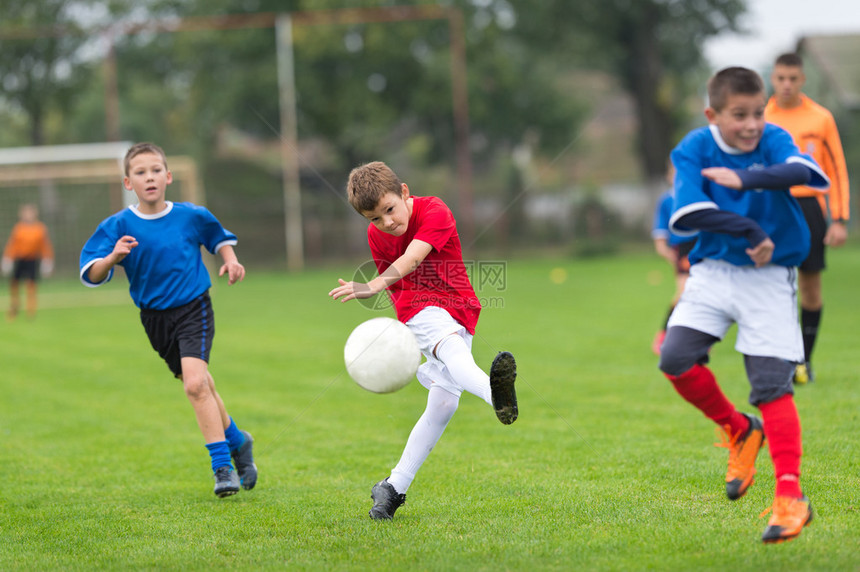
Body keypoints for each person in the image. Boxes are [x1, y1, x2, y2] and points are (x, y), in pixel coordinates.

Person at [658, 67, 829, 544]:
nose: (752, 124)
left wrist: (747, 177)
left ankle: (790, 498)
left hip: (770, 279)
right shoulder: (694, 148)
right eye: (739, 116)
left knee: (771, 384)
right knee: (674, 359)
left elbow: (808, 173)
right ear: (713, 114)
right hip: (713, 272)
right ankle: (738, 430)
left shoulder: (773, 138)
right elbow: (688, 214)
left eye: (758, 112)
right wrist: (752, 231)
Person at [329, 161, 518, 520]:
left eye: (389, 210)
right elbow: (404, 275)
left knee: (444, 406)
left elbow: (414, 256)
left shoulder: (435, 210)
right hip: (417, 307)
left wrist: (372, 286)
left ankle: (393, 487)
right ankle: (497, 395)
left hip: (458, 304)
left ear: (404, 192)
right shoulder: (377, 235)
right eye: (374, 219)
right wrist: (379, 287)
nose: (386, 223)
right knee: (452, 350)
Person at [79, 142, 256, 498]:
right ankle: (239, 441)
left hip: (194, 308)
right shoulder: (118, 225)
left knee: (194, 385)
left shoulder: (191, 215)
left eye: (156, 170)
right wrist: (113, 257)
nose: (149, 178)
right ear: (128, 183)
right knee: (201, 384)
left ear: (168, 176)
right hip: (154, 319)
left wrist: (231, 259)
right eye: (140, 173)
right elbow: (91, 273)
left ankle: (222, 467)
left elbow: (219, 238)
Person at [765, 52, 851, 384]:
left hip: (810, 208)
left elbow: (837, 169)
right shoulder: (762, 116)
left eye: (793, 78)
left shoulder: (820, 118)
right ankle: (779, 359)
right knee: (771, 285)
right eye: (780, 78)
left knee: (810, 286)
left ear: (802, 80)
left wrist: (840, 218)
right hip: (773, 206)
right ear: (773, 79)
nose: (786, 84)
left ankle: (804, 361)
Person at [651, 162, 697, 355]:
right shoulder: (667, 200)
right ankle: (664, 334)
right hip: (683, 249)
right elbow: (660, 231)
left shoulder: (698, 195)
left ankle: (698, 339)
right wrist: (664, 249)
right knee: (684, 292)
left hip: (704, 245)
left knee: (703, 294)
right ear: (668, 176)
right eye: (674, 174)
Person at [2, 203, 54, 320]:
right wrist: (7, 259)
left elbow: (45, 246)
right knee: (14, 283)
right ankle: (14, 307)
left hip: (32, 260)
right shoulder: (18, 228)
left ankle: (31, 311)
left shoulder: (40, 228)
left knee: (31, 285)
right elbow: (12, 245)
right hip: (19, 259)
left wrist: (47, 261)